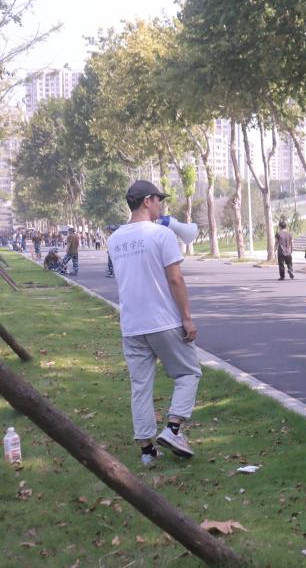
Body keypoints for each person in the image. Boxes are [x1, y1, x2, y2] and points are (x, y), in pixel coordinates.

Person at [107, 180, 200, 467]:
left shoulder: (114, 239)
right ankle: (173, 429)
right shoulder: (161, 235)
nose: (161, 205)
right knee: (189, 373)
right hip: (163, 321)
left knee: (140, 386)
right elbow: (175, 279)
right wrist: (187, 317)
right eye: (159, 200)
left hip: (132, 324)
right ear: (147, 201)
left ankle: (147, 452)